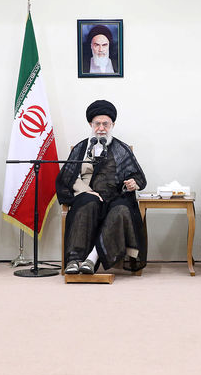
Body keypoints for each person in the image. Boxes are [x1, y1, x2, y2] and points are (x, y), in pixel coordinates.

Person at [57, 100, 147, 274]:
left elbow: (138, 177)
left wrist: (132, 183)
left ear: (112, 124)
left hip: (115, 197)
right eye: (97, 124)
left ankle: (92, 258)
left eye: (105, 124)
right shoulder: (81, 148)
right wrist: (89, 192)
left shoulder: (121, 149)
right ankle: (74, 260)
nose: (101, 128)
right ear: (91, 124)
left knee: (121, 210)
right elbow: (67, 177)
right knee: (89, 202)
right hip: (86, 194)